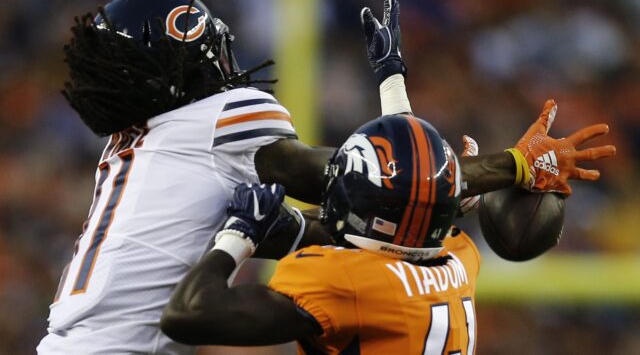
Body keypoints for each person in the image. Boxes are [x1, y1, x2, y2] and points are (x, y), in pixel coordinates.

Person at [38, 0, 614, 354]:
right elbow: (373, 180)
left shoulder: (134, 148)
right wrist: (515, 166)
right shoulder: (214, 122)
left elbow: (349, 209)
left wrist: (242, 237)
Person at [160, 104, 615, 354]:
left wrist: (237, 237)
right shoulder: (460, 254)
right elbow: (415, 198)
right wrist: (391, 76)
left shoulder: (346, 281)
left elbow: (189, 315)